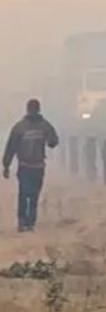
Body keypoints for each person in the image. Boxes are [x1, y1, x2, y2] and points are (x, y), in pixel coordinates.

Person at [2, 99, 59, 232]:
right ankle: (24, 222)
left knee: (31, 195)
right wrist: (6, 165)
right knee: (26, 194)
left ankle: (28, 222)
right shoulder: (34, 126)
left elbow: (53, 141)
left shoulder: (23, 127)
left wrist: (6, 165)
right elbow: (11, 147)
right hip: (27, 166)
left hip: (34, 166)